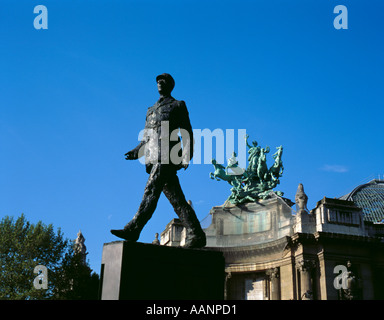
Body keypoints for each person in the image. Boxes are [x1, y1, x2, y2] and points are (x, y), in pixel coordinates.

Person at [111, 73, 206, 248]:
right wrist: (137, 151)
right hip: (154, 157)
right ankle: (196, 233)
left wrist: (186, 156)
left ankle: (134, 228)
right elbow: (147, 137)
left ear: (170, 85)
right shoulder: (150, 110)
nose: (160, 83)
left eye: (163, 81)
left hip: (168, 155)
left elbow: (187, 133)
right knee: (177, 199)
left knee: (151, 189)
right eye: (157, 81)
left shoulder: (178, 105)